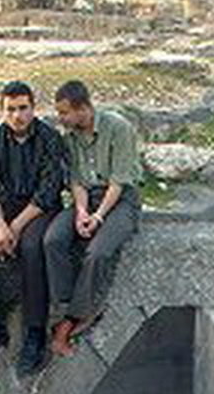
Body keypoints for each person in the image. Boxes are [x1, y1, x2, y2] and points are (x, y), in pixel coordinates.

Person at [0, 80, 67, 375]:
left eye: (23, 108)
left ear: (33, 108)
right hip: (4, 206)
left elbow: (49, 190)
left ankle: (35, 332)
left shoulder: (49, 139)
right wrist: (0, 227)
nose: (17, 115)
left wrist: (17, 226)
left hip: (39, 209)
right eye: (10, 109)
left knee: (31, 247)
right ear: (2, 111)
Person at [44, 79, 142, 357]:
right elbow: (76, 180)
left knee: (98, 252)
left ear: (83, 108)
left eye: (64, 112)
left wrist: (98, 218)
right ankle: (64, 307)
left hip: (121, 200)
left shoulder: (118, 128)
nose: (60, 118)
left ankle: (73, 319)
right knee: (53, 239)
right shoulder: (71, 137)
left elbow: (119, 182)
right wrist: (81, 212)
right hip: (89, 199)